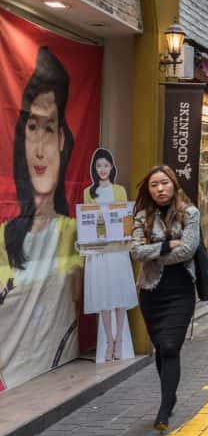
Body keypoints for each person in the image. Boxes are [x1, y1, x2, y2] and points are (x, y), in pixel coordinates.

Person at [0, 48, 83, 391]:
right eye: (32, 127)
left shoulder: (73, 231)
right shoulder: (5, 235)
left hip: (56, 363)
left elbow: (78, 295)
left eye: (48, 129)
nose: (39, 149)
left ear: (62, 139)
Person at [129, 165, 201, 431]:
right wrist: (166, 245)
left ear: (174, 184)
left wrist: (155, 252)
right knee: (161, 347)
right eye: (154, 185)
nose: (160, 189)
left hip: (181, 290)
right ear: (148, 190)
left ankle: (163, 408)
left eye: (164, 183)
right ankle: (170, 397)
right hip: (151, 291)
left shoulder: (190, 213)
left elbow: (188, 250)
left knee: (171, 346)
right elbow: (135, 251)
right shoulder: (142, 216)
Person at [82, 147, 137, 362]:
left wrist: (127, 235)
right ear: (94, 169)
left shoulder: (120, 190)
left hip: (117, 249)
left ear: (111, 167)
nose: (102, 169)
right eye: (99, 166)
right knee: (103, 294)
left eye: (106, 165)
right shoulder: (88, 192)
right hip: (98, 250)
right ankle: (108, 341)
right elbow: (86, 221)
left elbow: (126, 219)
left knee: (120, 292)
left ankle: (119, 341)